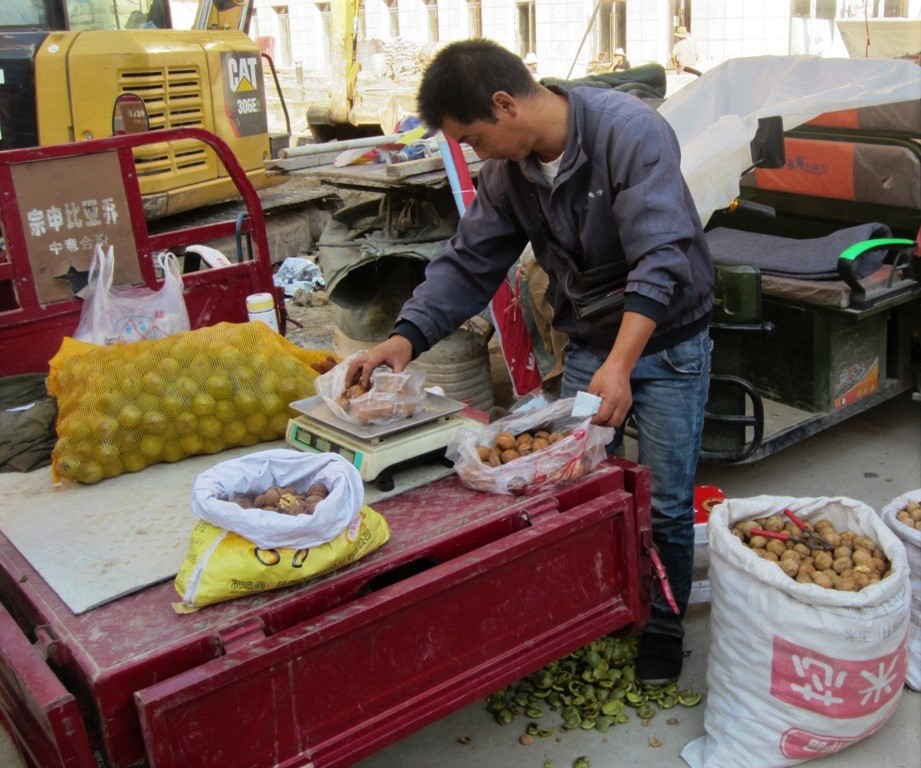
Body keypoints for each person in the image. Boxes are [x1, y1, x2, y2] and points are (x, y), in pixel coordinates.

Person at [345, 38, 713, 685]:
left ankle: (660, 623)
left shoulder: (629, 134)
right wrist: (403, 337)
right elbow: (469, 260)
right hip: (592, 345)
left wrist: (622, 364)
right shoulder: (509, 175)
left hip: (666, 343)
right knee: (571, 486)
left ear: (503, 104)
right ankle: (589, 610)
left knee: (663, 501)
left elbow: (662, 258)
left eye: (471, 137)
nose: (472, 153)